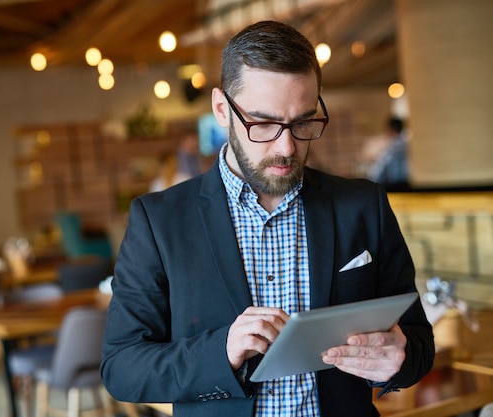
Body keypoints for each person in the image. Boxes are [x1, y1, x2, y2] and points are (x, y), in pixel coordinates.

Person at [101, 21, 434, 417]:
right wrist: (221, 351)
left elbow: (417, 342)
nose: (287, 146)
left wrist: (399, 360)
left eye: (303, 122)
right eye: (263, 123)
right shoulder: (158, 222)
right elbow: (121, 367)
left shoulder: (363, 204)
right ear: (222, 109)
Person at [367, 117, 410, 190]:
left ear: (392, 129)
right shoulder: (408, 145)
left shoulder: (392, 149)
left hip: (395, 187)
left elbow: (376, 172)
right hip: (408, 185)